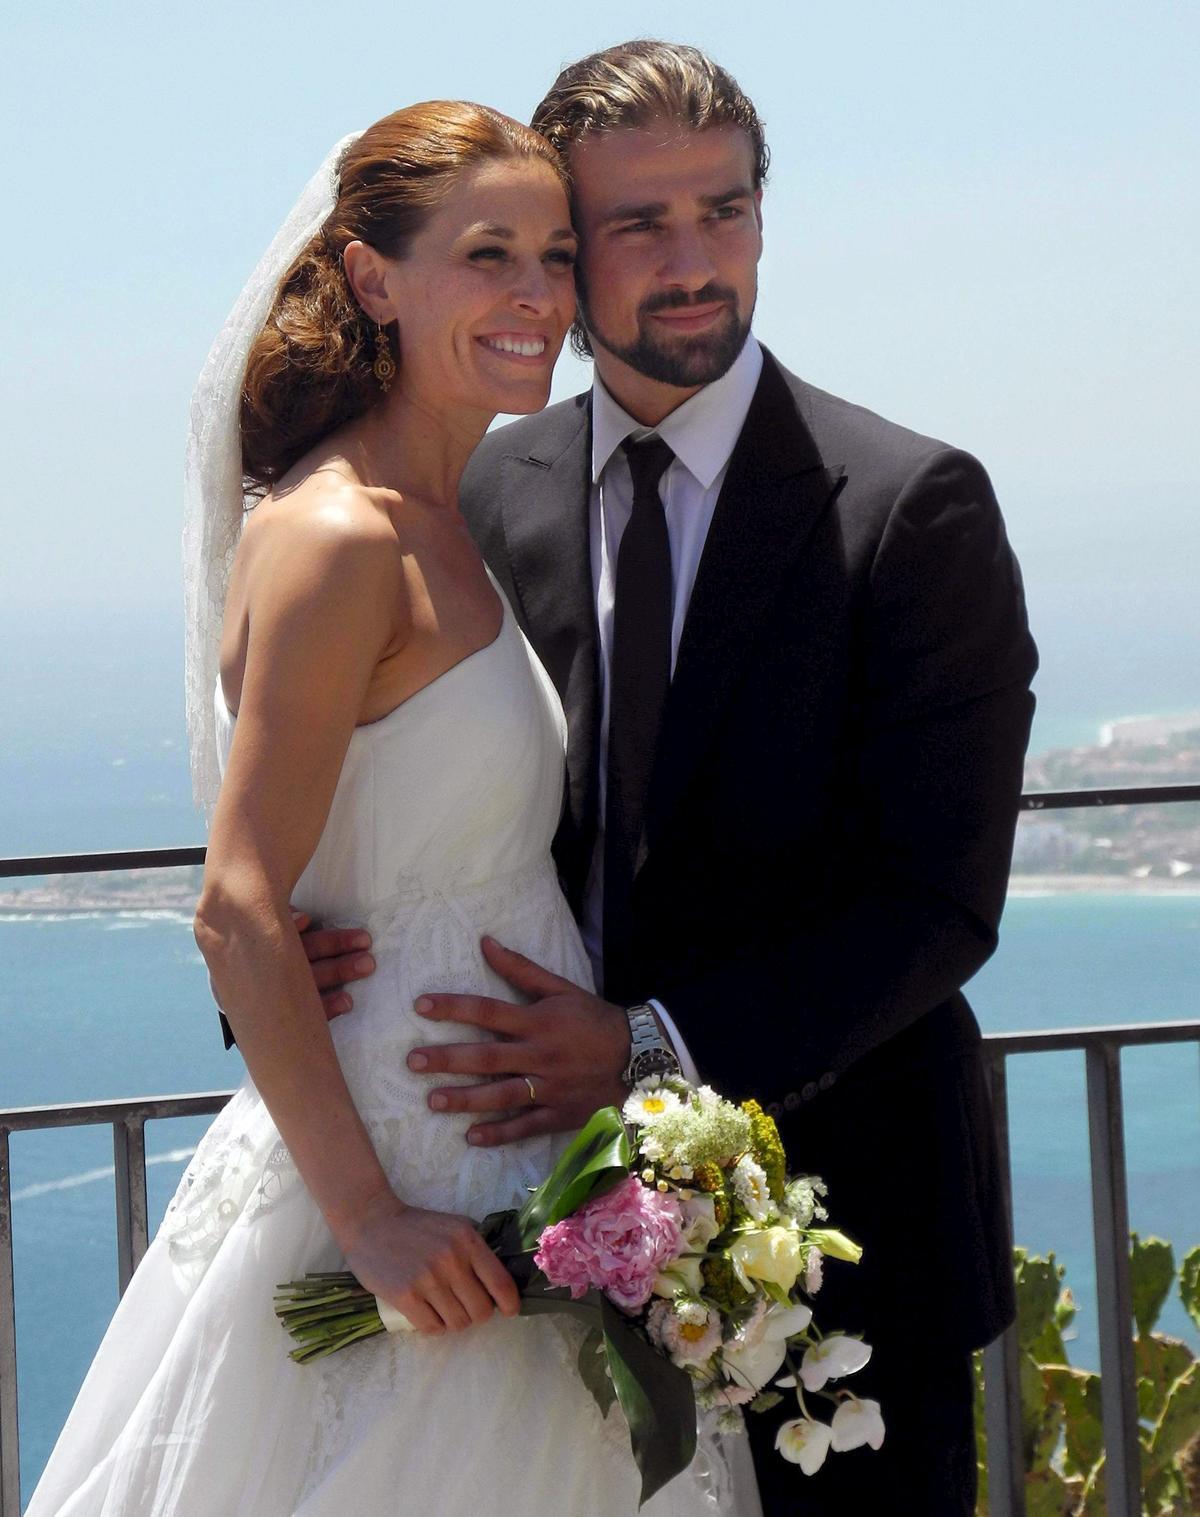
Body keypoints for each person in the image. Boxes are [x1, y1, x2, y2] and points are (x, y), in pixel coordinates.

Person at [304, 42, 1038, 1517]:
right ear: (566, 260)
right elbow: (401, 778)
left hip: (837, 1252)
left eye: (727, 208)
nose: (696, 261)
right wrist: (322, 947)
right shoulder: (488, 489)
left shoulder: (914, 505)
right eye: (640, 224)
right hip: (523, 1252)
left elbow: (939, 901)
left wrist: (652, 1047)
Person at [26, 102, 758, 1516]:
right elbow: (238, 902)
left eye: (551, 254)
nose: (537, 296)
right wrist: (370, 1221)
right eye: (486, 255)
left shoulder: (451, 511)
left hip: (514, 1149)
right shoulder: (338, 534)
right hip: (404, 1176)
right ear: (373, 280)